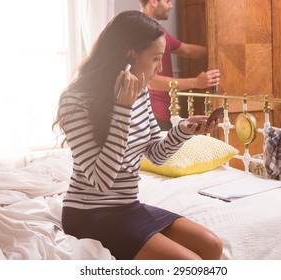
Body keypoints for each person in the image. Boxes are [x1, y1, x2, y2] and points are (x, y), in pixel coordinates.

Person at [56, 11, 223, 260]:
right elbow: (102, 180)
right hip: (89, 212)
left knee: (212, 245)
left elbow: (155, 155)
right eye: (156, 58)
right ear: (130, 55)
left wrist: (182, 131)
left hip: (128, 206)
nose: (161, 68)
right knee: (190, 263)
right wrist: (123, 109)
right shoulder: (74, 101)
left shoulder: (140, 91)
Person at [139, 0, 221, 130]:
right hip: (154, 112)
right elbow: (151, 81)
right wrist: (196, 82)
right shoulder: (142, 31)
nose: (171, 6)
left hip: (167, 110)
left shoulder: (160, 32)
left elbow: (186, 50)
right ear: (154, 2)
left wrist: (220, 52)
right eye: (167, 1)